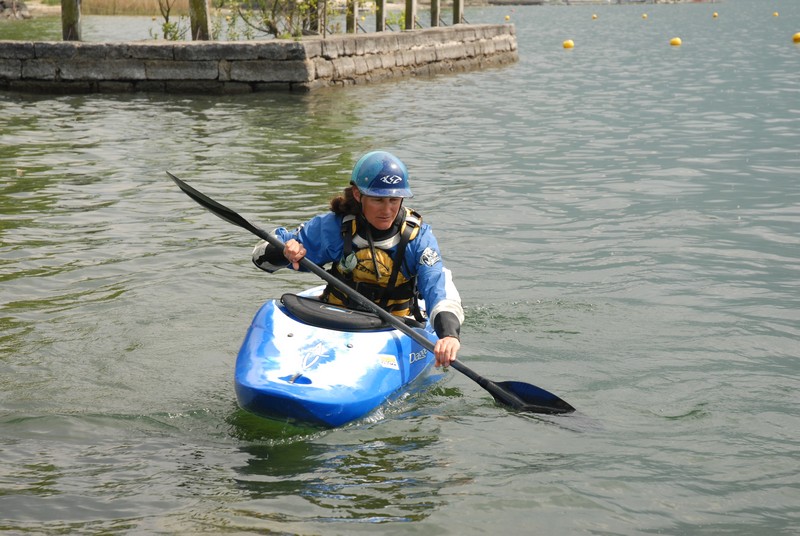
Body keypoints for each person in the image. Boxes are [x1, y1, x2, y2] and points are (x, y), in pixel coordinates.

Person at [251, 150, 463, 368]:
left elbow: (437, 285)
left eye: (394, 200)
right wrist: (284, 252)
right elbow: (260, 258)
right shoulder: (333, 227)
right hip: (334, 317)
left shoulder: (417, 239)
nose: (387, 210)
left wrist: (448, 335)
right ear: (358, 194)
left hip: (394, 326)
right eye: (378, 200)